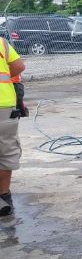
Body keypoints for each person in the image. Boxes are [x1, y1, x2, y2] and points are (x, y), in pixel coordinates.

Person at [0, 35, 25, 217]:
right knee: (6, 151)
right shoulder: (1, 42)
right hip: (4, 105)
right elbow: (18, 67)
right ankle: (4, 196)